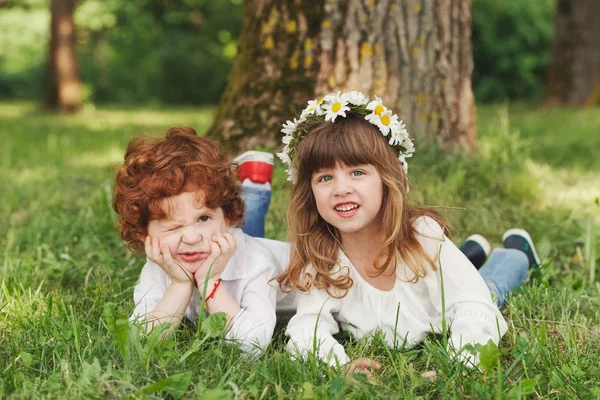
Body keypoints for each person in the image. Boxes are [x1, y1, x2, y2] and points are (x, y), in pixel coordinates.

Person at [275, 91, 540, 375]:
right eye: (325, 178)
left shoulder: (422, 236)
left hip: (442, 300)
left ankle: (516, 252)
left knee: (489, 290)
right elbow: (306, 328)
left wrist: (458, 366)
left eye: (357, 173)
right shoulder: (323, 258)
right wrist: (339, 366)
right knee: (463, 275)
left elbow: (473, 306)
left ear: (387, 179)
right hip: (432, 280)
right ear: (310, 192)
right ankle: (469, 253)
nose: (341, 189)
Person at [113, 126, 293, 353]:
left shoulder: (257, 264)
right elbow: (140, 342)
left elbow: (253, 345)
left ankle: (254, 190)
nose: (191, 237)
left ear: (228, 217)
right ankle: (251, 187)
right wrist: (179, 285)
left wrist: (211, 282)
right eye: (173, 226)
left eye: (203, 217)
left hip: (304, 262)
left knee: (251, 234)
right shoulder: (159, 266)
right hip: (229, 240)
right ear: (145, 235)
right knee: (247, 231)